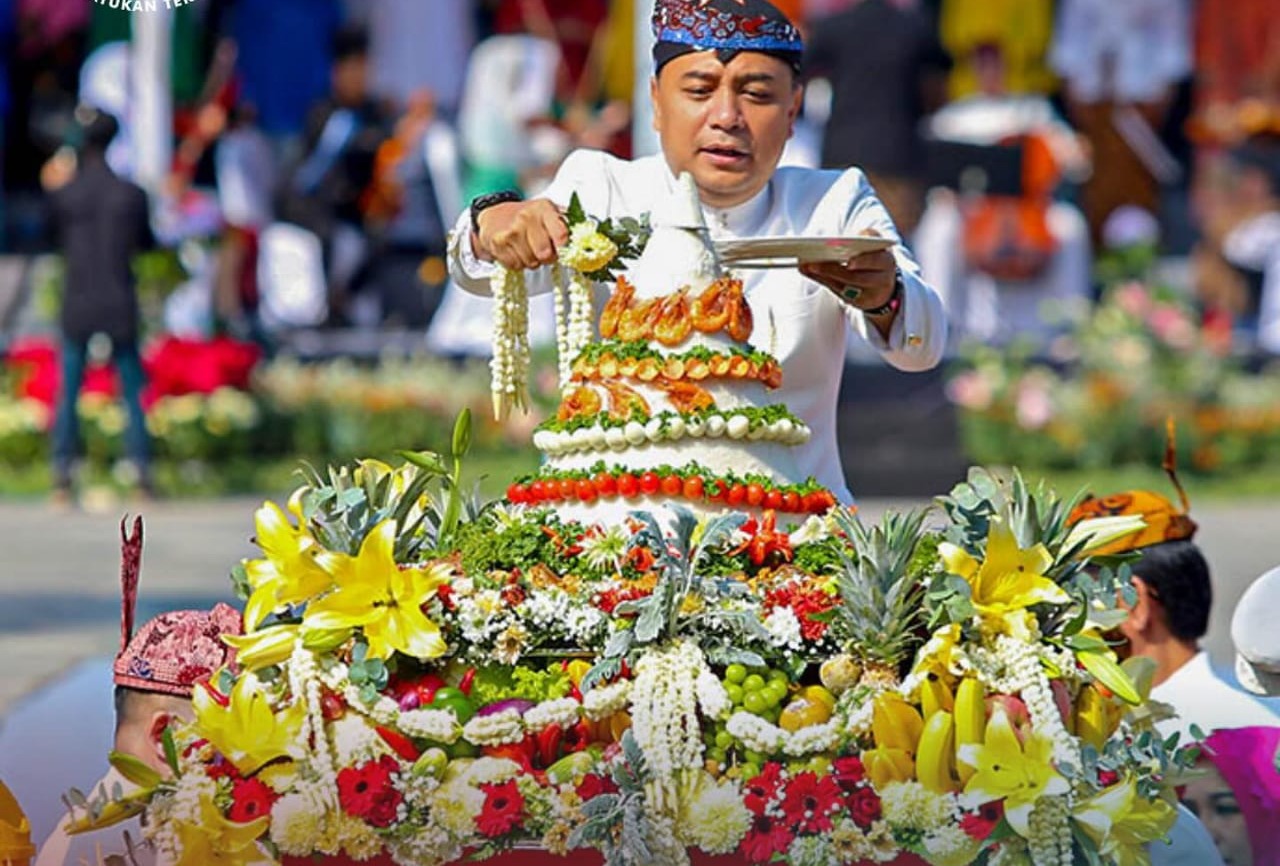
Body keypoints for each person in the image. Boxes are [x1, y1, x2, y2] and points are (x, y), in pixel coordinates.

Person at [448, 0, 947, 503]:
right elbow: (475, 268)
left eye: (756, 94)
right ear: (656, 102)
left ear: (793, 110)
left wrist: (884, 294)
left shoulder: (831, 203)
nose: (727, 117)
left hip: (791, 537)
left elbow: (920, 346)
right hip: (606, 535)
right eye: (699, 91)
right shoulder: (599, 188)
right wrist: (492, 219)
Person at [35, 517, 242, 866]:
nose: (239, 760)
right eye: (224, 742)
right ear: (165, 736)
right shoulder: (119, 846)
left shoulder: (81, 834)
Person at [45, 108, 156, 503]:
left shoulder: (65, 195)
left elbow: (49, 237)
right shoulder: (130, 193)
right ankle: (142, 473)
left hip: (78, 298)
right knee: (131, 390)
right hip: (118, 298)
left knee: (69, 389)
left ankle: (62, 476)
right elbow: (146, 243)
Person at [803, 0, 950, 238]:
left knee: (839, 247)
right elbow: (940, 79)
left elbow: (801, 71)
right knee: (895, 251)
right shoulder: (913, 27)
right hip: (899, 159)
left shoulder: (834, 27)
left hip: (842, 157)